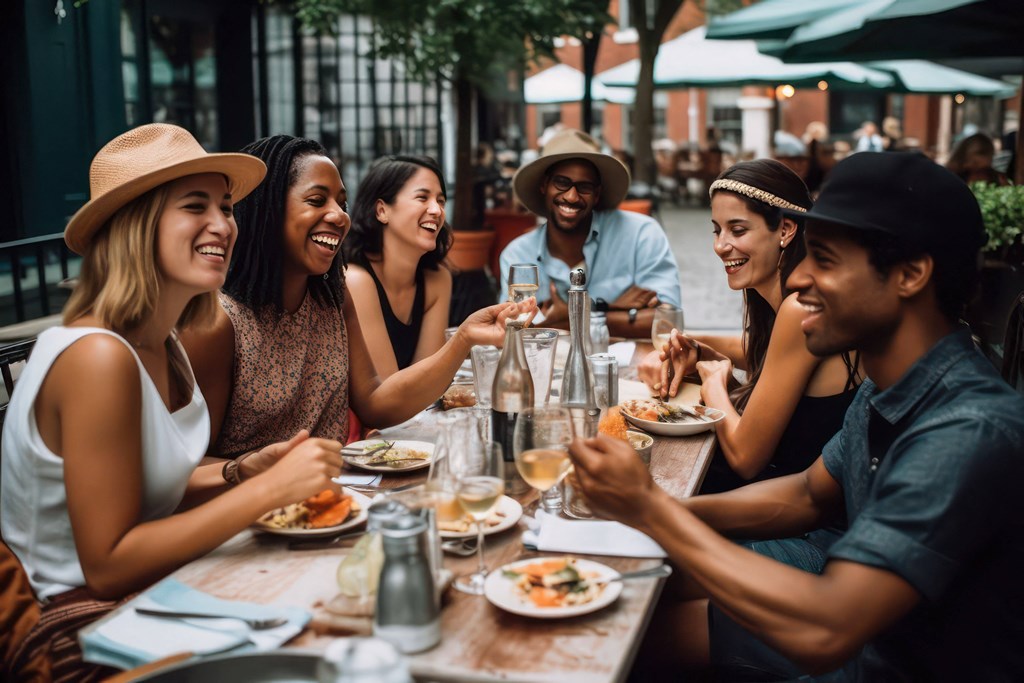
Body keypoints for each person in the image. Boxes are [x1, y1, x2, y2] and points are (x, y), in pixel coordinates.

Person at [570, 151, 1024, 681]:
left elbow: (828, 629)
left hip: (877, 657)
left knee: (621, 631)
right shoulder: (888, 384)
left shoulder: (968, 430)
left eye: (825, 260)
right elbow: (807, 495)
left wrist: (652, 510)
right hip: (840, 583)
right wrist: (637, 518)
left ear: (911, 275)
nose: (800, 277)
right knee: (622, 595)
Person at [0, 124, 346, 678]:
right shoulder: (97, 356)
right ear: (135, 226)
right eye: (195, 206)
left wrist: (237, 470)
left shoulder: (162, 343)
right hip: (79, 632)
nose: (223, 225)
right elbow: (109, 564)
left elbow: (140, 481)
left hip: (154, 601)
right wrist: (266, 491)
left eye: (227, 207)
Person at [181, 136, 529, 460]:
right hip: (254, 515)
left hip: (339, 502)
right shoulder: (218, 322)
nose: (339, 215)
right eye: (317, 200)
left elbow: (379, 405)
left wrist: (465, 337)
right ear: (268, 210)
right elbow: (189, 466)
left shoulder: (332, 299)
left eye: (341, 203)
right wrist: (248, 472)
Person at [645, 160, 859, 499]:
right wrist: (699, 349)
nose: (720, 245)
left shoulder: (800, 307)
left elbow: (746, 459)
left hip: (800, 519)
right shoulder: (775, 298)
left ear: (786, 230)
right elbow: (766, 354)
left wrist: (714, 385)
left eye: (738, 230)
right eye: (717, 230)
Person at [499, 129, 682, 337]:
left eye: (584, 187)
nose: (571, 196)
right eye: (562, 182)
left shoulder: (641, 234)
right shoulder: (517, 256)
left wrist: (572, 319)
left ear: (597, 195)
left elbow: (668, 322)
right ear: (544, 185)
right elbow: (512, 331)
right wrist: (617, 311)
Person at [343, 155, 453, 378]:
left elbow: (426, 382)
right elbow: (387, 392)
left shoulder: (437, 279)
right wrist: (463, 340)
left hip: (411, 410)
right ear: (382, 211)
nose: (437, 210)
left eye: (441, 201)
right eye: (422, 197)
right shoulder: (356, 280)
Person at [946, 132, 1010, 186]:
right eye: (981, 153)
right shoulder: (951, 175)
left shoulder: (996, 177)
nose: (987, 158)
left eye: (990, 153)